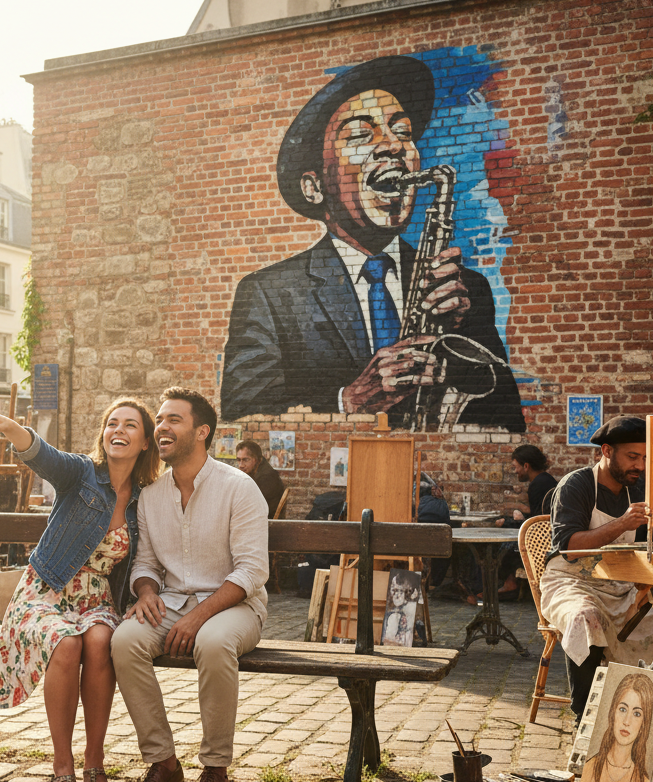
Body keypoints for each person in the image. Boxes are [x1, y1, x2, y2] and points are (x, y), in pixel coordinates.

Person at [221, 55, 523, 432]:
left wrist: (460, 340)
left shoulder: (466, 288)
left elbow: (508, 423)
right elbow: (241, 417)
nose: (393, 145)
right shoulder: (267, 294)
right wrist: (348, 401)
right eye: (360, 136)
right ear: (314, 187)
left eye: (403, 132)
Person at [0, 397, 161, 782]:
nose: (118, 430)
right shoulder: (81, 473)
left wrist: (146, 591)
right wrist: (11, 427)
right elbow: (43, 455)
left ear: (146, 441)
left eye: (130, 425)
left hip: (96, 599)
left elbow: (148, 558)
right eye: (112, 423)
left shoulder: (146, 498)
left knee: (100, 641)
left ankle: (94, 761)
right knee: (66, 642)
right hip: (45, 590)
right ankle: (63, 767)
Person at [111, 387, 269, 782]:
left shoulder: (239, 488)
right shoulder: (151, 495)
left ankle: (215, 770)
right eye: (160, 419)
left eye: (173, 420)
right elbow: (145, 564)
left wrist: (198, 616)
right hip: (172, 603)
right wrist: (146, 592)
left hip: (237, 607)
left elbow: (252, 571)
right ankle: (163, 764)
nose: (161, 427)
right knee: (124, 640)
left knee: (213, 643)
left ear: (202, 432)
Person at [541, 416, 653, 718]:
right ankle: (583, 716)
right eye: (632, 457)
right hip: (570, 582)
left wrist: (648, 580)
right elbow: (570, 547)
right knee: (585, 618)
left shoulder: (639, 490)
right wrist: (622, 523)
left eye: (644, 458)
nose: (639, 466)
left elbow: (646, 549)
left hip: (620, 587)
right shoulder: (576, 485)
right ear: (606, 451)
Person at [582, 671, 653, 782]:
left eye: (637, 714)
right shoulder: (590, 768)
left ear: (643, 724)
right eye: (622, 709)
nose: (627, 721)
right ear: (613, 713)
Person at [495, 445, 558, 596]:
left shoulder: (537, 485)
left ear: (526, 466)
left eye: (515, 467)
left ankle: (509, 583)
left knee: (503, 547)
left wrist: (510, 522)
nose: (515, 471)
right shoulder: (547, 480)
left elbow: (536, 524)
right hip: (550, 536)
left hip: (543, 542)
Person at [235, 440, 287, 519]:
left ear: (257, 460)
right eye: (239, 460)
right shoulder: (254, 472)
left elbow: (249, 505)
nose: (241, 465)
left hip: (265, 521)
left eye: (246, 460)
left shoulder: (268, 477)